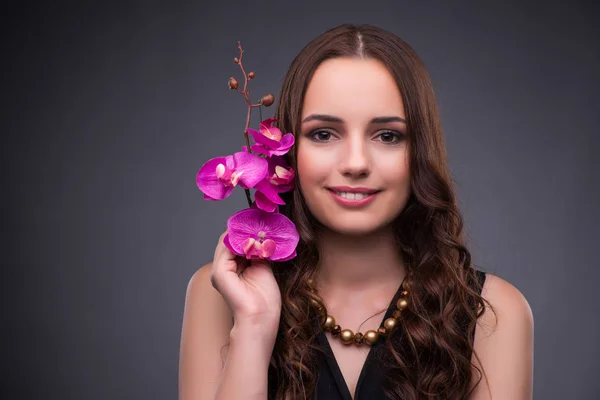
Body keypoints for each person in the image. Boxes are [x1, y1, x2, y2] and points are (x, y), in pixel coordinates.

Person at [179, 23, 534, 400]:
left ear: (419, 152)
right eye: (324, 134)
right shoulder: (220, 294)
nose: (355, 163)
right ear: (286, 150)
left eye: (387, 136)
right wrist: (251, 328)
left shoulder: (493, 313)